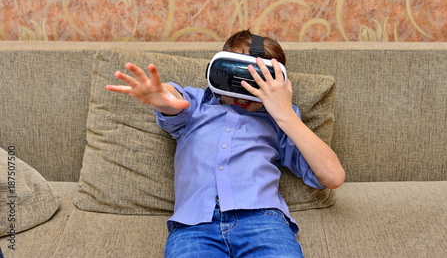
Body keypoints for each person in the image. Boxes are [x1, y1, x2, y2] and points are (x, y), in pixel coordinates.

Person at [106, 30, 345, 258]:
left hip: (263, 221)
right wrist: (161, 96)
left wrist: (284, 112)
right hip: (194, 225)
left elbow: (332, 176)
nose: (243, 92)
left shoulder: (282, 120)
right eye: (236, 78)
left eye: (256, 81)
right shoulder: (198, 105)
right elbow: (173, 99)